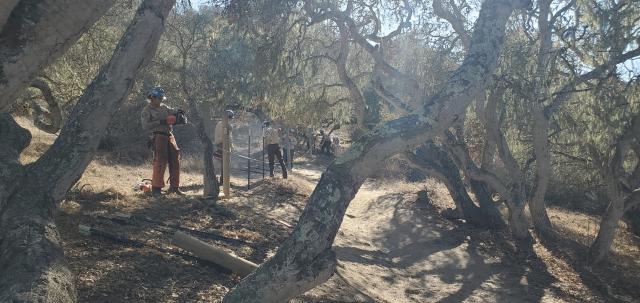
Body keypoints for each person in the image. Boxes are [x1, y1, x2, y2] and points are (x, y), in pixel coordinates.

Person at [140, 87, 183, 196]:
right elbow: (145, 126)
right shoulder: (147, 110)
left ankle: (174, 187)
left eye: (161, 98)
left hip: (169, 135)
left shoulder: (164, 107)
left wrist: (179, 113)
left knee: (175, 160)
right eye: (159, 98)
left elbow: (173, 112)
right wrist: (160, 121)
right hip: (157, 135)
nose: (161, 100)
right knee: (160, 161)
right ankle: (156, 189)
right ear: (152, 98)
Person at [213, 110, 234, 187]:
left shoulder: (224, 124)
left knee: (225, 164)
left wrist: (232, 145)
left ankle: (224, 180)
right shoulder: (222, 124)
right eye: (230, 118)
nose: (231, 120)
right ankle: (220, 181)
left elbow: (229, 137)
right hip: (222, 145)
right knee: (222, 164)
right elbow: (225, 136)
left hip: (225, 144)